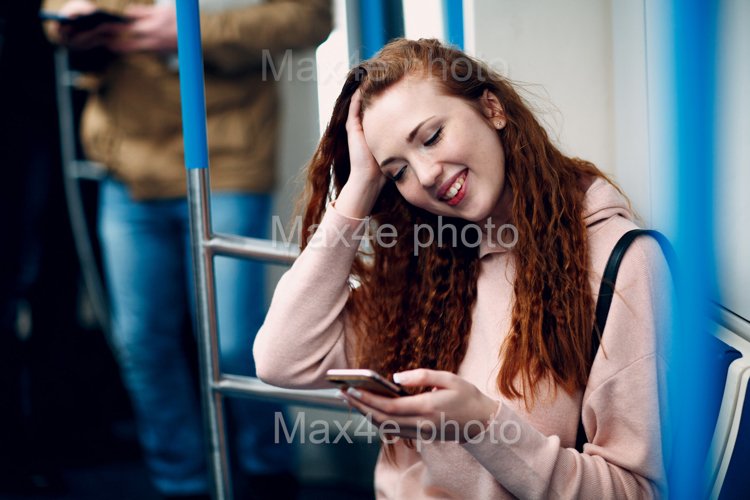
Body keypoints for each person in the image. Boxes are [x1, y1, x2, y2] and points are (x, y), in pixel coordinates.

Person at [254, 38, 671, 498]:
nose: (426, 175)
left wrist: (482, 425)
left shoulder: (623, 263)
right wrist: (360, 187)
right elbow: (280, 360)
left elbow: (635, 490)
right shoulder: (428, 261)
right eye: (398, 171)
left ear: (492, 108)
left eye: (431, 137)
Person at [42, 1, 332, 499]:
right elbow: (55, 15)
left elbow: (309, 17)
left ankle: (269, 471)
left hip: (226, 161)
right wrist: (74, 27)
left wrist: (194, 30)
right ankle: (180, 482)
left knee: (236, 344)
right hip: (126, 163)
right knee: (140, 343)